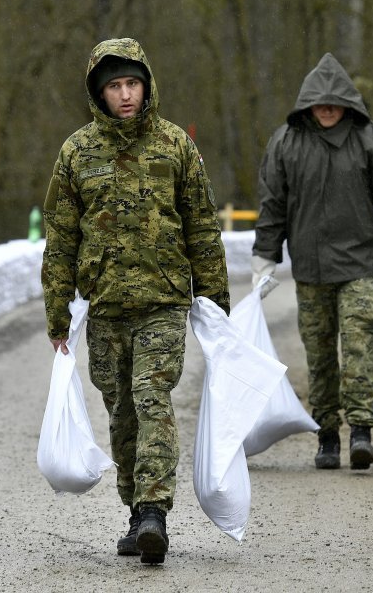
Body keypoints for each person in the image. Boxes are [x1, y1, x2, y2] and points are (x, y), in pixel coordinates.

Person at [41, 38, 230, 564]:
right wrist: (57, 311)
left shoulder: (174, 146)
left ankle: (155, 512)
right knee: (122, 411)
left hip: (163, 301)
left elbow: (201, 224)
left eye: (131, 83)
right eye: (113, 87)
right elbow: (59, 239)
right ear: (98, 95)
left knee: (152, 398)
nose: (124, 95)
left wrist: (215, 299)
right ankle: (135, 513)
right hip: (104, 307)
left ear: (146, 85)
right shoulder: (76, 153)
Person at [251, 52, 373, 471]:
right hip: (309, 268)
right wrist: (264, 257)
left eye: (334, 101)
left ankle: (361, 429)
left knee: (359, 342)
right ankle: (327, 433)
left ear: (347, 103)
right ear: (308, 103)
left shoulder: (371, 140)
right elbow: (273, 204)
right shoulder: (286, 143)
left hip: (359, 264)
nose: (327, 109)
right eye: (319, 102)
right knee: (320, 353)